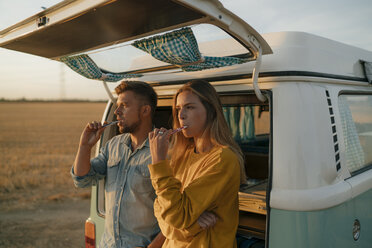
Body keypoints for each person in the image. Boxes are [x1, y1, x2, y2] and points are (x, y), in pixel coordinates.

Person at [148, 80, 246, 247]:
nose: (181, 115)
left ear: (210, 111)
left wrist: (158, 162)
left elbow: (176, 216)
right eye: (178, 109)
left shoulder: (223, 159)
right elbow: (159, 208)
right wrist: (190, 227)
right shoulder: (183, 155)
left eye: (190, 107)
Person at [71, 81, 165, 248]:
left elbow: (174, 214)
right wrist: (84, 146)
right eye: (117, 105)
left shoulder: (162, 151)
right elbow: (82, 179)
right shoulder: (114, 145)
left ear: (145, 110)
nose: (117, 111)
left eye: (124, 105)